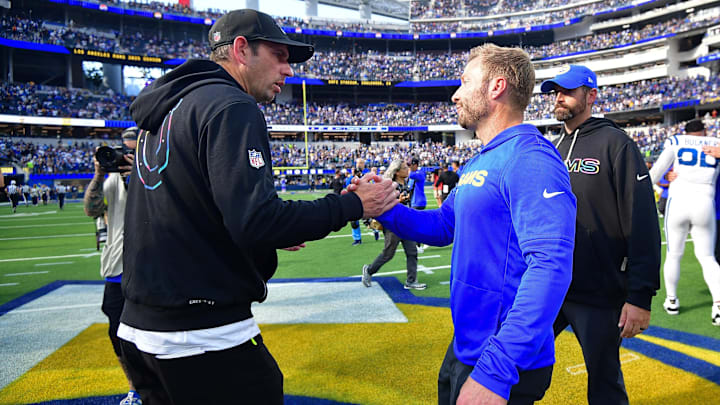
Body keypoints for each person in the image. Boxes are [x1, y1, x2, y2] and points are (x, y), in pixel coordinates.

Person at [118, 9, 397, 404]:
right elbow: (257, 222)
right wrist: (353, 204)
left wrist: (269, 234)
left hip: (140, 328)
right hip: (201, 333)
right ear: (241, 50)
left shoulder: (166, 110)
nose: (288, 70)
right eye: (280, 55)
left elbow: (198, 213)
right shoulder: (232, 106)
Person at [371, 44, 576, 405]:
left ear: (496, 87)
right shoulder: (482, 159)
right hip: (467, 345)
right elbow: (441, 226)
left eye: (465, 81)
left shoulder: (531, 158)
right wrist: (384, 210)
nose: (455, 94)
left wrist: (498, 369)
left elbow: (551, 265)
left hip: (500, 359)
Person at [541, 64, 661, 404]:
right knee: (518, 365)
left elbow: (642, 222)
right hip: (550, 286)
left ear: (591, 95)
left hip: (600, 293)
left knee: (605, 384)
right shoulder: (551, 147)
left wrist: (640, 296)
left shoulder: (617, 144)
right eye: (555, 92)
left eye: (567, 91)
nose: (559, 98)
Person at [83, 127, 141, 405]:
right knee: (117, 333)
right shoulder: (110, 181)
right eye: (123, 151)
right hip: (117, 267)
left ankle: (163, 383)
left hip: (149, 266)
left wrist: (141, 176)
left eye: (131, 151)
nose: (125, 156)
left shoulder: (157, 175)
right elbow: (92, 209)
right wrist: (98, 175)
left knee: (156, 329)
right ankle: (135, 387)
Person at [650, 119, 720, 325]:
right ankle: (718, 306)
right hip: (705, 203)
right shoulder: (715, 143)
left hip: (679, 201)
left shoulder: (676, 141)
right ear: (704, 131)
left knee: (673, 254)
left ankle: (671, 301)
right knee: (707, 257)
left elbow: (654, 173)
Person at [362, 159, 426, 290]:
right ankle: (369, 270)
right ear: (397, 172)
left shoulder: (407, 183)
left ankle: (411, 281)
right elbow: (382, 203)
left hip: (406, 223)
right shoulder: (390, 185)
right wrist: (398, 200)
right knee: (388, 254)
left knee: (412, 251)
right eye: (404, 168)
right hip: (393, 224)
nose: (407, 169)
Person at [407, 157, 428, 252]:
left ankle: (418, 246)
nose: (409, 167)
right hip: (413, 202)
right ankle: (421, 243)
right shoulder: (413, 175)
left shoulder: (419, 173)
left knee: (416, 225)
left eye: (410, 165)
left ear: (415, 165)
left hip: (418, 202)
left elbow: (409, 175)